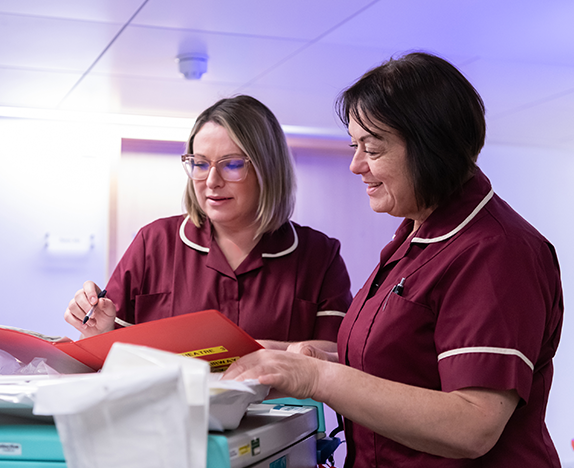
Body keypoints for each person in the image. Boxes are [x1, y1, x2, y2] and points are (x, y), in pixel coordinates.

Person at [224, 53, 564, 467]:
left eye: (372, 147)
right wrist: (301, 358)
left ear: (430, 145)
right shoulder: (416, 235)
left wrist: (317, 379)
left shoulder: (498, 250)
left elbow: (473, 424)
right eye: (355, 145)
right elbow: (407, 363)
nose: (355, 165)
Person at [64, 95, 352, 351]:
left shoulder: (318, 255)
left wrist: (261, 352)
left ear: (268, 168)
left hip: (277, 412)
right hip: (169, 411)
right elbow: (112, 348)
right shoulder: (154, 242)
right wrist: (98, 329)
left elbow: (337, 355)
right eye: (200, 164)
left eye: (232, 164)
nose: (212, 182)